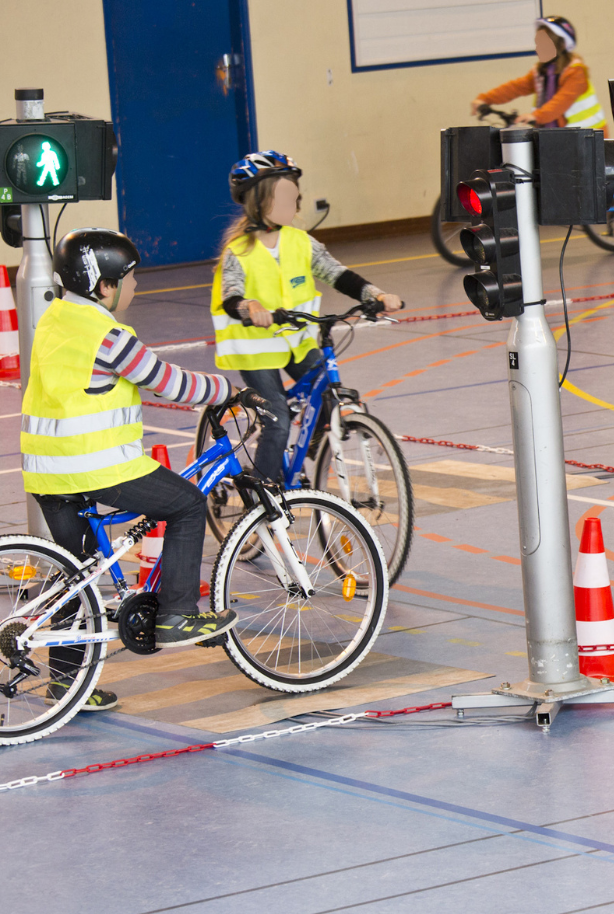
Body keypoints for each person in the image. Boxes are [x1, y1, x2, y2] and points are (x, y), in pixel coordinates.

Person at [23, 229, 248, 711]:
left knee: (75, 574)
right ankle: (177, 617)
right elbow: (166, 381)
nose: (135, 286)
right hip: (95, 465)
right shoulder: (107, 334)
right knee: (187, 504)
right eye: (129, 278)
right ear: (104, 287)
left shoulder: (55, 318)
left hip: (47, 469)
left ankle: (66, 686)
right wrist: (223, 389)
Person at [212, 150, 403, 481]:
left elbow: (337, 273)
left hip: (296, 342)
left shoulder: (302, 242)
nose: (294, 202)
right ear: (258, 202)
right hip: (255, 350)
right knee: (278, 420)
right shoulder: (238, 251)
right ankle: (265, 497)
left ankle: (313, 451)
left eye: (294, 195)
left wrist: (377, 295)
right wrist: (250, 307)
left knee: (330, 397)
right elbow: (231, 295)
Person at [469, 15, 605, 131]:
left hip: (588, 138)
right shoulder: (541, 72)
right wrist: (485, 99)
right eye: (537, 43)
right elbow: (515, 88)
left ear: (562, 46)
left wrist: (536, 116)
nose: (538, 48)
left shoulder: (576, 73)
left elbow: (561, 102)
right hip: (557, 137)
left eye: (544, 44)